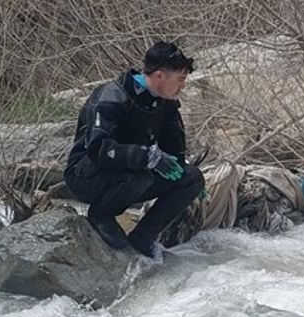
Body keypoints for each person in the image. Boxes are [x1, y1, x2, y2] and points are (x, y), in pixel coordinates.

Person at [64, 41, 204, 257]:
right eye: (181, 79)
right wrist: (148, 157)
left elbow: (175, 149)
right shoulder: (112, 96)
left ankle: (143, 237)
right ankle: (101, 214)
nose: (183, 86)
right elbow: (99, 148)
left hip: (134, 173)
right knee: (142, 173)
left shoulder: (165, 103)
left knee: (192, 178)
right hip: (86, 175)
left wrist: (186, 174)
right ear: (159, 76)